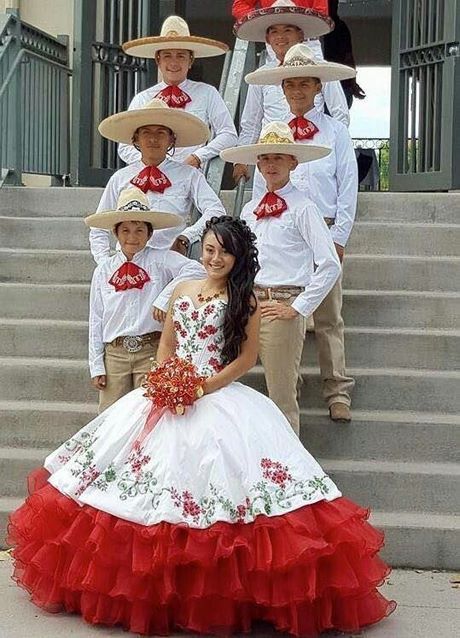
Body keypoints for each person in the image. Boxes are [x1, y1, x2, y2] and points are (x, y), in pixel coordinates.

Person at [8, 215, 395, 637]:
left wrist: (200, 387)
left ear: (237, 257)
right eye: (209, 249)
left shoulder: (244, 300)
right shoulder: (182, 289)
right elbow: (168, 344)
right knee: (134, 484)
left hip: (218, 394)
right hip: (167, 391)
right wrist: (164, 380)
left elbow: (247, 360)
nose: (214, 257)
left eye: (224, 251)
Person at [245, 43, 357, 422]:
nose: (297, 91)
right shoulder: (270, 138)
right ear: (283, 88)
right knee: (286, 312)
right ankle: (288, 381)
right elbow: (263, 192)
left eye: (304, 84)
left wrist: (339, 236)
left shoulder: (336, 132)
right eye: (290, 84)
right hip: (282, 232)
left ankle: (336, 388)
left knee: (327, 317)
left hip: (322, 226)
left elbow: (348, 186)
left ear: (318, 87)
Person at [222, 121, 339, 433]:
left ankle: (290, 476)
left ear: (293, 162)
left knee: (282, 395)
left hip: (281, 304)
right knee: (232, 389)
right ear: (257, 164)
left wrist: (298, 307)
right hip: (248, 304)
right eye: (265, 158)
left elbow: (330, 264)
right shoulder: (249, 210)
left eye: (278, 157)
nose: (271, 164)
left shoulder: (304, 208)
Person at [86, 187, 206, 412]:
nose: (132, 237)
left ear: (150, 234)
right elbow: (96, 318)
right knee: (111, 417)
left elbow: (197, 270)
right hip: (115, 353)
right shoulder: (104, 270)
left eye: (139, 230)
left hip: (150, 349)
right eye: (126, 230)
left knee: (147, 412)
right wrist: (96, 365)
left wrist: (165, 297)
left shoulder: (160, 260)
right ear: (116, 233)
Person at [232, 0, 349, 196]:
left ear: (301, 35)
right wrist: (241, 160)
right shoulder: (261, 75)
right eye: (274, 31)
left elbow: (340, 115)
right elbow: (251, 123)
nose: (281, 37)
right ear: (267, 39)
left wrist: (332, 155)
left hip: (311, 159)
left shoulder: (318, 69)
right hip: (271, 160)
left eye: (288, 30)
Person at [90, 98, 226, 263]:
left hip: (170, 260)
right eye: (146, 132)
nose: (153, 139)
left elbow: (216, 211)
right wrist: (105, 263)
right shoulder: (120, 178)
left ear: (171, 139)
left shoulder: (189, 175)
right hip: (128, 262)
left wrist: (186, 237)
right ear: (136, 139)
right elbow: (98, 227)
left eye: (160, 133)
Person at [119, 15, 237, 167]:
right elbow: (124, 146)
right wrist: (150, 162)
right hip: (150, 179)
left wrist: (198, 157)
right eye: (167, 55)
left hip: (190, 176)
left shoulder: (207, 93)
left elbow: (229, 135)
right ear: (158, 60)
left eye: (181, 56)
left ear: (191, 60)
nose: (174, 62)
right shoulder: (143, 98)